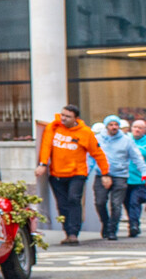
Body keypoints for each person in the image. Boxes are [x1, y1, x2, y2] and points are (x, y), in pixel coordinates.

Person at [37, 105, 108, 245]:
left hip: (77, 174)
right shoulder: (53, 127)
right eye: (62, 115)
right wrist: (43, 164)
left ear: (76, 118)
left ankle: (74, 233)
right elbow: (46, 146)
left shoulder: (85, 132)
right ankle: (67, 232)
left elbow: (98, 153)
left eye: (68, 116)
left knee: (74, 200)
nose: (63, 118)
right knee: (62, 205)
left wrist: (105, 173)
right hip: (56, 174)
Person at [92, 115, 144, 241]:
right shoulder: (98, 139)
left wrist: (144, 171)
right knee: (100, 202)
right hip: (101, 175)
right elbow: (90, 156)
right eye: (111, 125)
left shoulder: (126, 140)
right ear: (106, 126)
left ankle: (111, 230)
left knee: (116, 204)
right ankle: (105, 222)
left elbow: (136, 157)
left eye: (116, 125)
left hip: (120, 175)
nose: (114, 127)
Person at [129, 117, 146, 238]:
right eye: (135, 127)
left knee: (134, 202)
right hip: (124, 177)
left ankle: (134, 225)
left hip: (140, 179)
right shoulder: (126, 140)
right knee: (125, 203)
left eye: (140, 128)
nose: (137, 130)